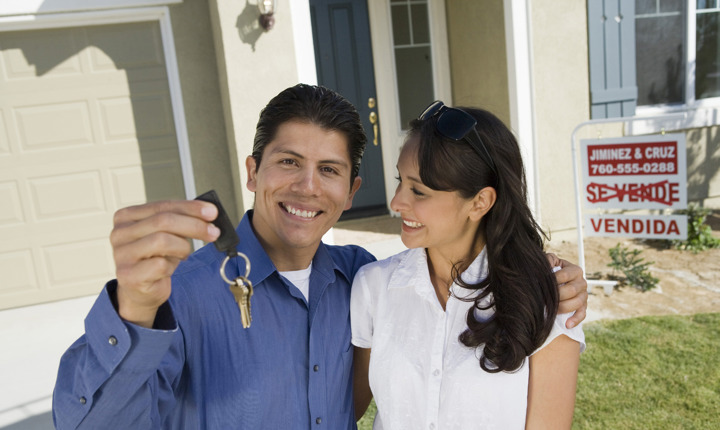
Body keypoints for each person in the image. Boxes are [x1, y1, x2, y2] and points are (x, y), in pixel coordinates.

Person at [52, 85, 587, 429]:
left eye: (329, 170)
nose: (308, 187)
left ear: (351, 190)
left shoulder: (358, 276)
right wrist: (135, 309)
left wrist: (546, 276)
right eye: (288, 162)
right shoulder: (183, 293)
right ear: (252, 172)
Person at [351, 102, 586, 429]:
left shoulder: (549, 297)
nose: (396, 203)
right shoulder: (373, 286)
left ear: (480, 202)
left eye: (418, 191)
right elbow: (346, 408)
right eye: (400, 181)